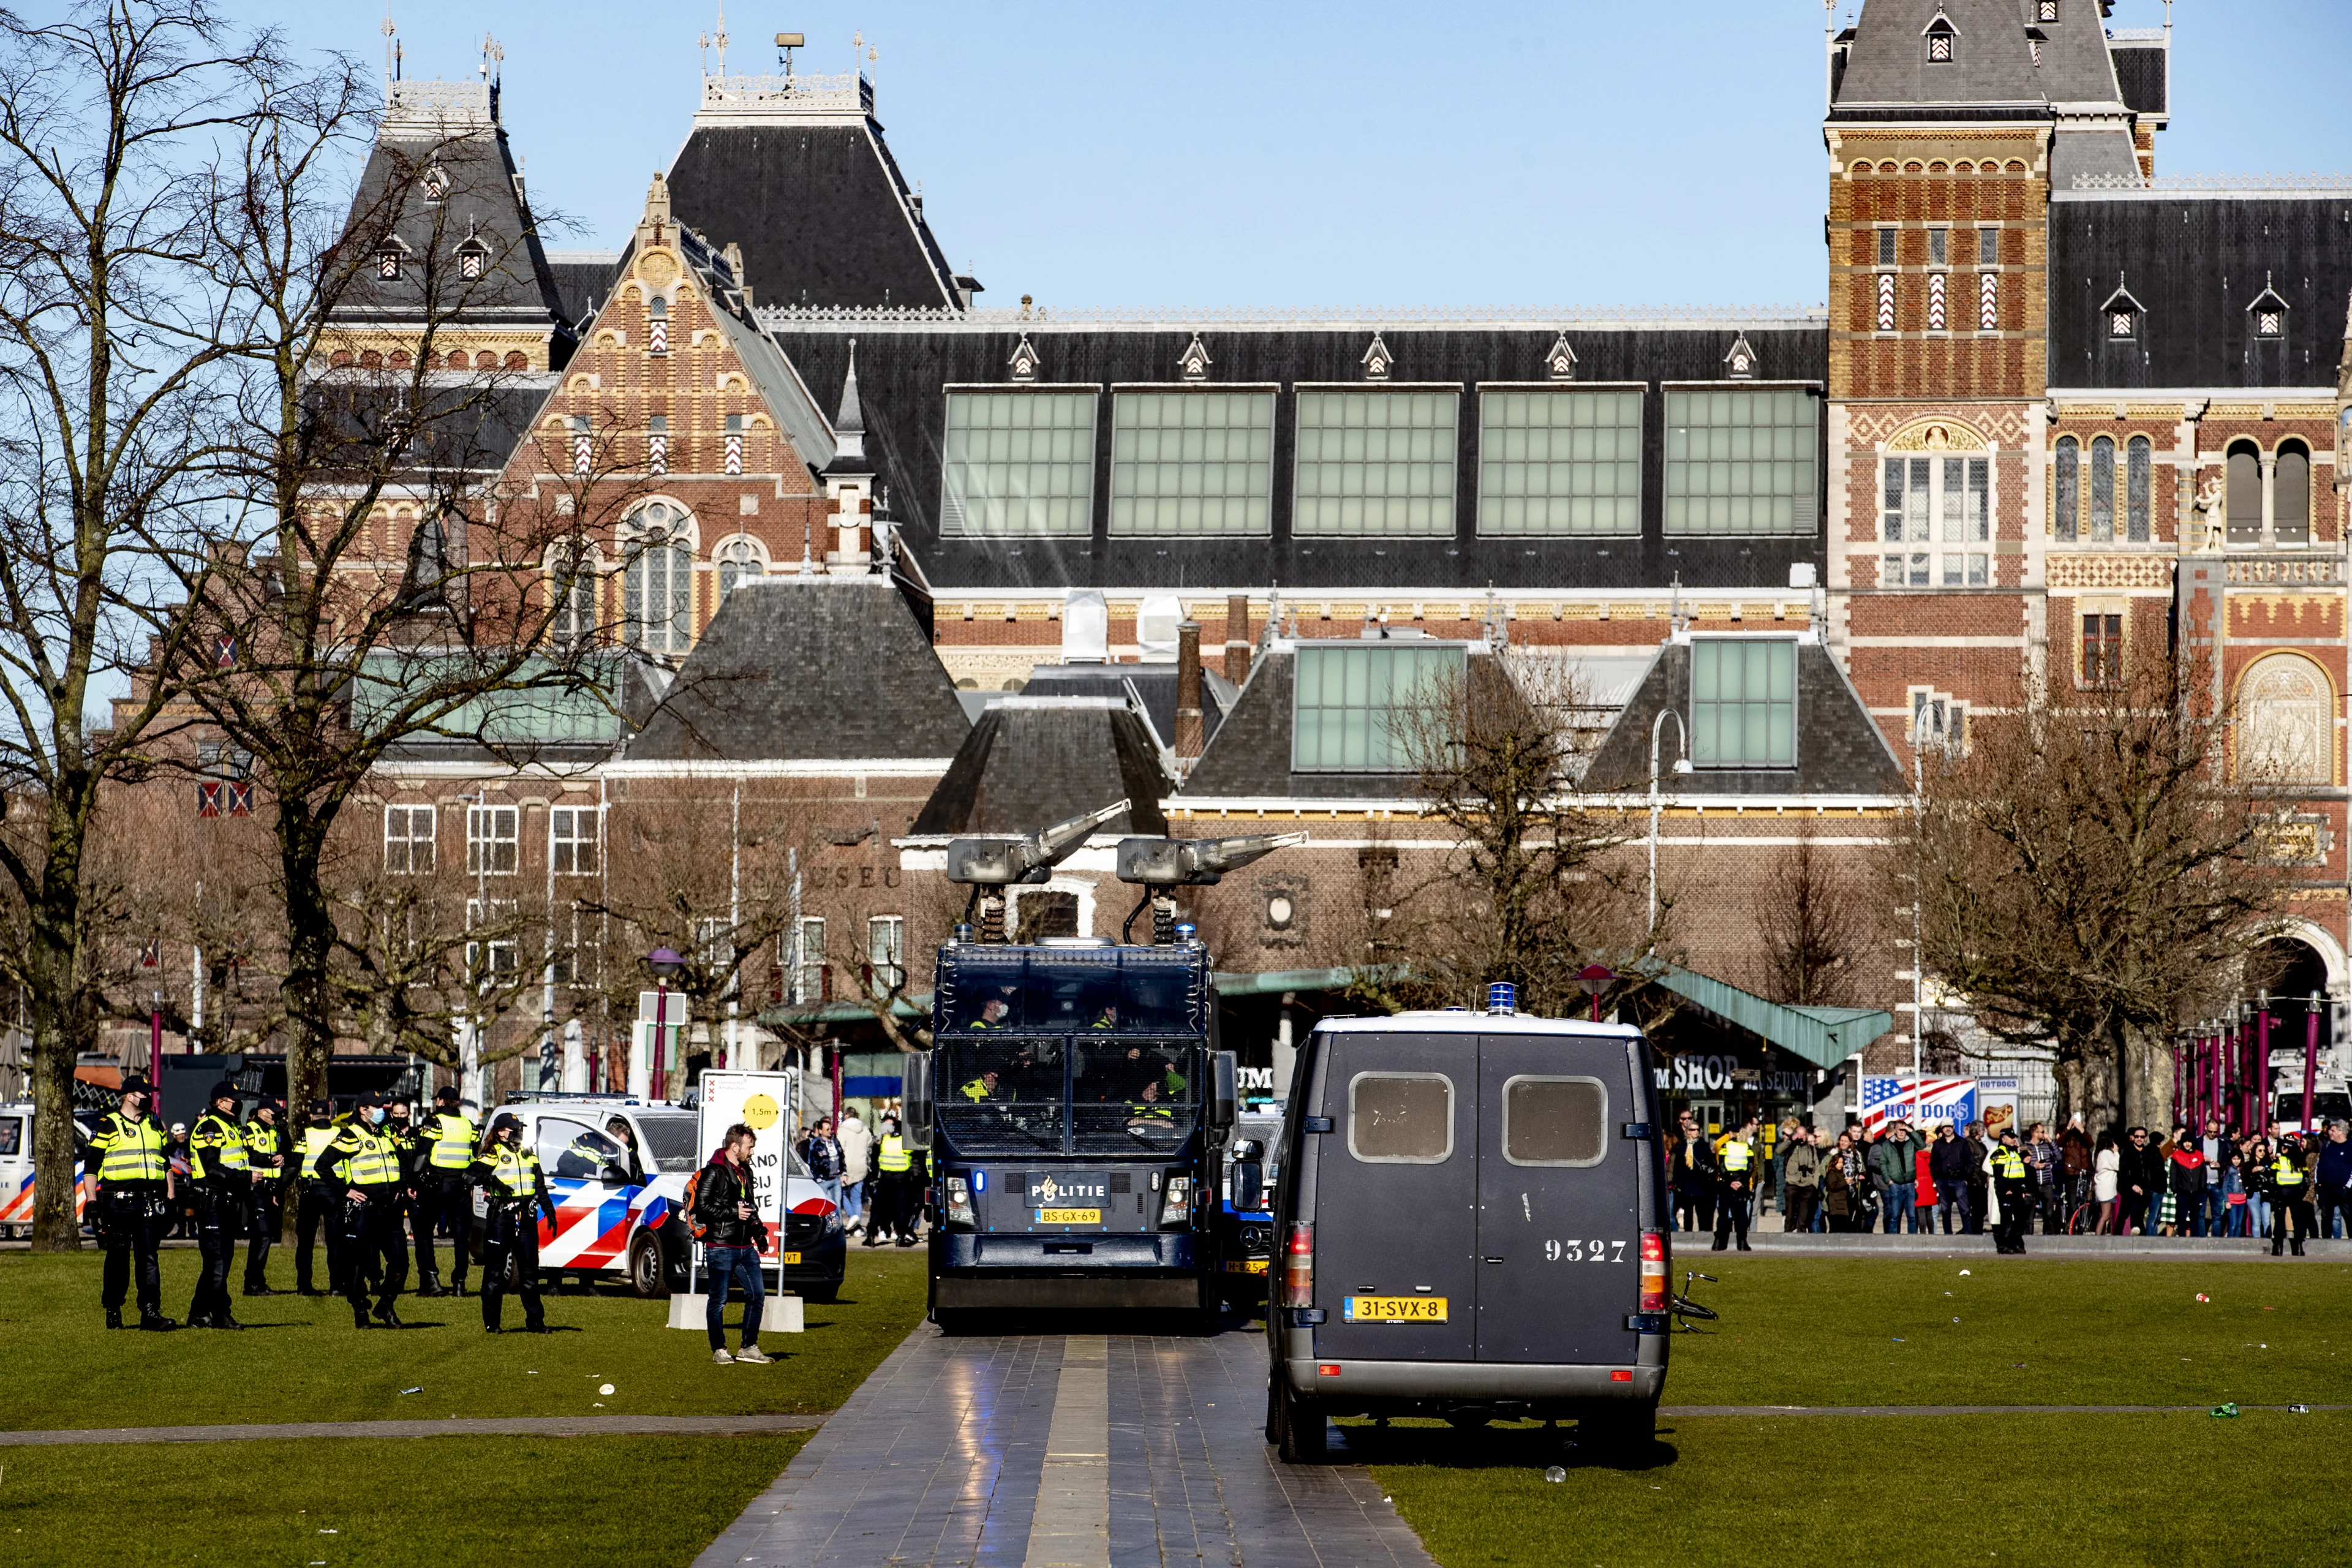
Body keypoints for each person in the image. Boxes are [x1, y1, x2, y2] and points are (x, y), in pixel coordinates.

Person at [83, 1077, 175, 1331]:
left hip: (150, 1202)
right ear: (129, 1096)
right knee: (118, 1258)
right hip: (118, 1203)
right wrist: (92, 1201)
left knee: (149, 1258)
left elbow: (165, 1163)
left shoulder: (155, 1125)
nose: (148, 1097)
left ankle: (150, 1312)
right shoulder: (108, 1125)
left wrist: (171, 1198)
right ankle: (113, 1310)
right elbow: (91, 1167)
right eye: (144, 1093)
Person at [314, 1091, 409, 1329]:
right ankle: (359, 1307)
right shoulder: (350, 1135)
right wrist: (345, 1191)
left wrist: (400, 1187)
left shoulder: (389, 1133)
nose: (382, 1111)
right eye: (376, 1107)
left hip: (389, 1210)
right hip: (363, 1211)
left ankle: (386, 1304)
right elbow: (322, 1166)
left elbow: (405, 1160)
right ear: (363, 1111)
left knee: (400, 1263)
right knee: (357, 1266)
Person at [470, 1113, 556, 1333]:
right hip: (501, 1218)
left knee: (530, 1273)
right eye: (513, 1129)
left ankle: (535, 1321)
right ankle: (492, 1324)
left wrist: (549, 1209)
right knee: (495, 1274)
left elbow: (539, 1185)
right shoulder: (492, 1153)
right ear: (500, 1132)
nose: (518, 1132)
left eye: (519, 1128)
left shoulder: (528, 1152)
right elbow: (469, 1176)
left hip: (526, 1218)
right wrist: (491, 1180)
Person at [696, 1123, 774, 1365]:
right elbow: (702, 1208)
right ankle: (719, 1349)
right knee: (718, 1300)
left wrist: (759, 1233)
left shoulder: (746, 1172)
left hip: (745, 1247)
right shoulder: (713, 1172)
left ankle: (748, 1347)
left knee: (757, 1294)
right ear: (734, 1147)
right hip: (720, 1246)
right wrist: (732, 1212)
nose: (752, 1152)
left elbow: (748, 1206)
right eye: (749, 1147)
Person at [184, 1081, 249, 1329]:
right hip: (212, 1202)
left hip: (228, 1201)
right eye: (233, 1099)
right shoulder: (210, 1127)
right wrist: (245, 1178)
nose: (238, 1103)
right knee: (217, 1261)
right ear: (220, 1102)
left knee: (221, 1260)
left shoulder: (231, 1125)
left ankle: (199, 1313)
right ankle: (221, 1313)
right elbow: (211, 1168)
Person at [415, 1086, 478, 1298]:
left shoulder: (434, 1122)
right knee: (461, 1237)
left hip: (436, 1184)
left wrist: (415, 1180)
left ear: (441, 1101)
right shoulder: (469, 1125)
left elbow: (422, 1154)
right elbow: (475, 1154)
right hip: (461, 1186)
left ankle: (431, 1280)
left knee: (424, 1232)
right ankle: (460, 1283)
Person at [294, 1099, 342, 1296]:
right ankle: (337, 1286)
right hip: (334, 1192)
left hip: (310, 1192)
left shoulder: (305, 1135)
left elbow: (294, 1163)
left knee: (305, 1242)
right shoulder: (339, 1134)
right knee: (336, 1242)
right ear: (330, 1116)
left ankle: (304, 1285)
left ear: (312, 1116)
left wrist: (279, 1188)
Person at [242, 1097, 287, 1295]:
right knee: (262, 1234)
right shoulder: (250, 1130)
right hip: (255, 1187)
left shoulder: (274, 1131)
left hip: (269, 1188)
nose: (276, 1116)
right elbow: (249, 1155)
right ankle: (253, 1283)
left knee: (266, 1236)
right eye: (273, 1112)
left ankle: (257, 1282)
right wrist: (270, 1160)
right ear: (262, 1112)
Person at [867, 1114, 924, 1246]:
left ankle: (871, 1235)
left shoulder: (885, 1142)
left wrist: (874, 1177)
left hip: (885, 1179)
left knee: (878, 1209)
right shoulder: (905, 1143)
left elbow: (875, 1158)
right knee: (902, 1210)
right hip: (901, 1180)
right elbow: (917, 1154)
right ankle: (900, 1237)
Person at [1713, 1115, 1758, 1252]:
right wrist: (1741, 1181)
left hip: (1727, 1184)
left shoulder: (1726, 1146)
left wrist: (1730, 1181)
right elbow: (1751, 1168)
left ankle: (1718, 1243)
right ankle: (1742, 1243)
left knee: (1723, 1215)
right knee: (1741, 1215)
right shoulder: (1747, 1148)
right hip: (1741, 1184)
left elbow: (1721, 1166)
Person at [1671, 1112, 1717, 1235]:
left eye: (1697, 1130)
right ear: (1688, 1132)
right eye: (1692, 1130)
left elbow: (1710, 1164)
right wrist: (1676, 1183)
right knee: (1687, 1214)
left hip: (1700, 1184)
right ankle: (1688, 1233)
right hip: (1686, 1184)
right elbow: (1678, 1166)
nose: (1695, 1132)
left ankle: (1703, 1233)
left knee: (1702, 1213)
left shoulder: (1704, 1146)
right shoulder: (1682, 1147)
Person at [1990, 1128, 2035, 1255]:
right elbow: (1998, 1175)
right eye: (2010, 1137)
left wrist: (2022, 1190)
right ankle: (2004, 1246)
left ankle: (2016, 1243)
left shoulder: (2015, 1153)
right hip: (2007, 1191)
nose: (2014, 1139)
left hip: (2017, 1190)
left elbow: (2020, 1172)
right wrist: (2005, 1190)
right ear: (2003, 1139)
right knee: (2007, 1220)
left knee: (2021, 1219)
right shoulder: (2000, 1153)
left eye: (2014, 1137)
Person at [2272, 1134, 2313, 1256]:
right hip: (2296, 1193)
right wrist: (2301, 1193)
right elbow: (2307, 1180)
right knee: (2297, 1220)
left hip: (2282, 1191)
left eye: (2284, 1148)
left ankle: (2278, 1247)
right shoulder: (2301, 1161)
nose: (2282, 1149)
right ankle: (2299, 1247)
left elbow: (2272, 1176)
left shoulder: (2280, 1160)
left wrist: (2274, 1191)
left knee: (2279, 1220)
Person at [1928, 1126, 1974, 1235]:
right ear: (1942, 1129)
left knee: (1964, 1209)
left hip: (1959, 1180)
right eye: (1945, 1127)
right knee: (1945, 1210)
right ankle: (1948, 1235)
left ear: (1953, 1127)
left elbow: (1970, 1162)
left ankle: (1968, 1235)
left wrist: (1966, 1178)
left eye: (1950, 1127)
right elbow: (1932, 1163)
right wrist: (1936, 1179)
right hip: (1943, 1181)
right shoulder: (1938, 1144)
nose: (1947, 1129)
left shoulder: (1962, 1143)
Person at [797, 1116, 845, 1218]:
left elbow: (841, 1157)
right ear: (820, 1131)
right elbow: (812, 1163)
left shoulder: (835, 1142)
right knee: (827, 1207)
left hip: (836, 1179)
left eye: (831, 1129)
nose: (830, 1132)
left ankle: (839, 1229)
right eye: (827, 1130)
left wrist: (844, 1173)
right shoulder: (816, 1144)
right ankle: (827, 1229)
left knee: (837, 1206)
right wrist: (818, 1178)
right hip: (823, 1180)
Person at [2118, 1126, 2160, 1235]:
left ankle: (2139, 1232)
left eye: (2142, 1137)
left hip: (2145, 1189)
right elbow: (2123, 1172)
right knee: (2124, 1213)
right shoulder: (2127, 1151)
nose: (2139, 1139)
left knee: (2140, 1213)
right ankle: (2123, 1232)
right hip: (2130, 1188)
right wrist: (2132, 1185)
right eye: (2137, 1136)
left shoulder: (2148, 1152)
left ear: (2145, 1138)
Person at [837, 1104, 872, 1237]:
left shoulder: (843, 1130)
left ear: (846, 1115)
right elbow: (869, 1142)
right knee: (857, 1197)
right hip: (861, 1165)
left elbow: (840, 1147)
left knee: (841, 1194)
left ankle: (852, 1217)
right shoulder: (865, 1129)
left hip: (847, 1165)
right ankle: (857, 1229)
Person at [2165, 1134, 2208, 1239]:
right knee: (2181, 1218)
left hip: (2197, 1193)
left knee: (2195, 1218)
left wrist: (2202, 1190)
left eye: (2189, 1141)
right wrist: (2175, 1191)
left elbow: (2203, 1174)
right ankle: (2182, 1238)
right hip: (2182, 1192)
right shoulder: (2177, 1156)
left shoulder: (2199, 1155)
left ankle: (2194, 1238)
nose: (2187, 1144)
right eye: (2185, 1142)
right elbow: (2173, 1175)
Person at [2315, 1121, 2352, 1241]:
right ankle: (2326, 1242)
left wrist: (2347, 1186)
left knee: (2349, 1216)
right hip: (2326, 1188)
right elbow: (2319, 1164)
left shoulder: (2350, 1146)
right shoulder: (2327, 1146)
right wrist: (2318, 1182)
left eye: (2333, 1131)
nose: (2330, 1133)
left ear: (2341, 1132)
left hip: (2342, 1189)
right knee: (2326, 1216)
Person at [1781, 1125, 1820, 1233]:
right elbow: (1779, 1151)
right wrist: (1790, 1140)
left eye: (1804, 1135)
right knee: (1789, 1216)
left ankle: (1801, 1241)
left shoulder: (1811, 1149)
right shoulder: (1791, 1147)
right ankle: (1787, 1237)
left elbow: (1817, 1167)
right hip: (1792, 1184)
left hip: (1807, 1185)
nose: (1801, 1137)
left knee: (1803, 1218)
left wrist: (1814, 1184)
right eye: (1799, 1134)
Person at [1961, 1121, 1991, 1235]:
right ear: (1978, 1131)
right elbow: (1971, 1163)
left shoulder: (1981, 1145)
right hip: (1973, 1182)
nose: (1985, 1132)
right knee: (1977, 1209)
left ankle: (1974, 1231)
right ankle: (1971, 1232)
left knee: (1982, 1209)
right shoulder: (1969, 1143)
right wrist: (1981, 1176)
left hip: (1981, 1182)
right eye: (1983, 1129)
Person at [2092, 1130, 2122, 1234]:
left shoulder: (2097, 1153)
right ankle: (2098, 1237)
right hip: (2106, 1189)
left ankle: (2101, 1235)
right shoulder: (2107, 1153)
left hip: (2100, 1187)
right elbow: (2117, 1165)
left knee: (2103, 1214)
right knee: (2105, 1216)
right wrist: (2116, 1152)